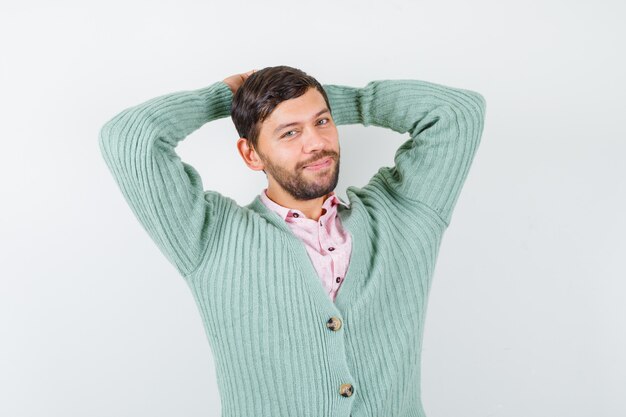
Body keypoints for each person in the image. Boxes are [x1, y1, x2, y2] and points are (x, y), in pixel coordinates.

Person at [99, 65, 486, 417]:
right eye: (290, 132)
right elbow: (129, 137)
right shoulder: (209, 237)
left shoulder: (402, 214)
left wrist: (340, 101)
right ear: (251, 154)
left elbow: (458, 112)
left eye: (323, 122)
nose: (316, 142)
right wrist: (222, 100)